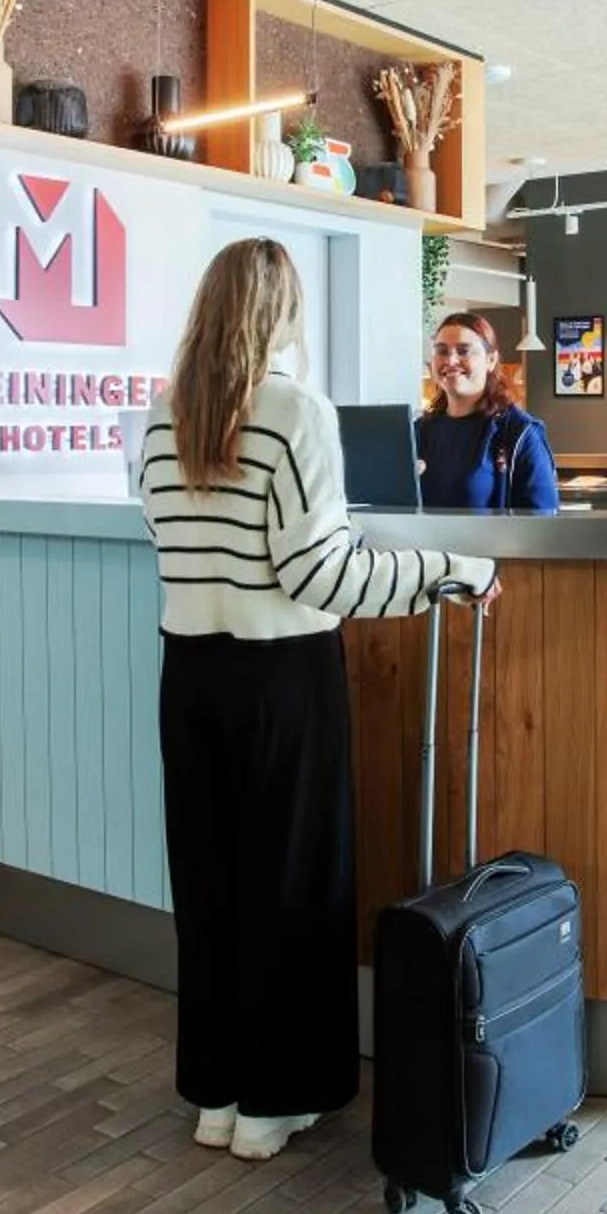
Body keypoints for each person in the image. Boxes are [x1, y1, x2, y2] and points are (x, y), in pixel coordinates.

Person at [135, 238, 498, 1164]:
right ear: (282, 313)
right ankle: (275, 1100)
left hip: (190, 676)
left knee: (211, 884)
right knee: (291, 885)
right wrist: (449, 572)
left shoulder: (161, 414)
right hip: (279, 679)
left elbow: (169, 539)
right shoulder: (296, 411)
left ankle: (217, 1093)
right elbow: (318, 570)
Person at [418, 311, 561, 512]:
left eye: (463, 351)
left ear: (491, 360)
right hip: (419, 545)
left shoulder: (520, 433)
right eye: (441, 351)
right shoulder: (418, 432)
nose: (450, 361)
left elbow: (541, 523)